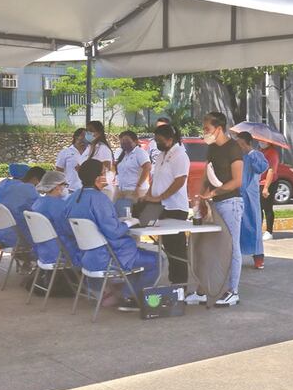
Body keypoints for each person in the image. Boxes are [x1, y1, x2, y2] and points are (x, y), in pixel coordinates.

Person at [66, 159, 160, 311]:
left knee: (139, 259)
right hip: (109, 256)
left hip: (85, 255)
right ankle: (129, 297)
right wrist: (128, 223)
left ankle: (123, 293)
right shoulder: (99, 198)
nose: (108, 175)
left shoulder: (74, 197)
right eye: (104, 173)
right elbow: (113, 232)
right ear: (97, 178)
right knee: (157, 260)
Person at [197, 112, 245, 307]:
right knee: (209, 247)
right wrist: (201, 196)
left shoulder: (233, 148)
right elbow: (206, 175)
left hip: (230, 203)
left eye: (207, 129)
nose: (204, 133)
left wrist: (214, 193)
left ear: (219, 129)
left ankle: (233, 291)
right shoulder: (212, 149)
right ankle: (204, 290)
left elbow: (237, 181)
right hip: (214, 203)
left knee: (232, 247)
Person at [140, 123, 190, 285]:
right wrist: (149, 195)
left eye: (160, 140)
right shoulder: (161, 155)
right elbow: (157, 178)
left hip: (175, 207)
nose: (157, 143)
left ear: (170, 139)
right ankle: (173, 279)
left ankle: (180, 282)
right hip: (159, 205)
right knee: (166, 245)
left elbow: (180, 180)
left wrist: (161, 196)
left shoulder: (180, 155)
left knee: (176, 247)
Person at [235, 131, 269, 270]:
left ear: (248, 143)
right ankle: (236, 255)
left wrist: (250, 153)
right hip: (238, 194)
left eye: (241, 144)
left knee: (253, 225)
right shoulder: (238, 156)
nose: (239, 146)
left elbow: (262, 167)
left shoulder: (256, 155)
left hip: (251, 195)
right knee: (238, 226)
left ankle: (258, 257)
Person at [30, 170, 79, 265]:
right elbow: (69, 230)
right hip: (60, 251)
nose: (66, 188)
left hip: (42, 250)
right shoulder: (58, 206)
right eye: (65, 185)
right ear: (57, 187)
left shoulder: (38, 202)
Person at [0, 164, 44, 249]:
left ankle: (26, 259)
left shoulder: (3, 184)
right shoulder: (28, 188)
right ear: (35, 179)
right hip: (17, 235)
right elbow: (41, 208)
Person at [113, 130, 151, 218]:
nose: (124, 144)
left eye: (127, 141)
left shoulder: (140, 153)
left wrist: (138, 186)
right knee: (119, 215)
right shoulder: (122, 154)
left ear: (135, 141)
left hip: (134, 190)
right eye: (122, 142)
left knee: (133, 217)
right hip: (121, 189)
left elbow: (147, 167)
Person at [54, 128, 87, 194]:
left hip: (85, 190)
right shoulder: (65, 152)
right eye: (83, 135)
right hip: (70, 190)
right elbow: (58, 171)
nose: (85, 138)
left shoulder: (89, 152)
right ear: (76, 137)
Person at [259, 141, 280, 240]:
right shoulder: (261, 151)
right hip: (259, 182)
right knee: (258, 208)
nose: (260, 142)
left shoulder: (272, 153)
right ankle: (258, 230)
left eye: (263, 141)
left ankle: (269, 231)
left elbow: (271, 170)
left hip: (269, 183)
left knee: (267, 207)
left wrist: (266, 188)